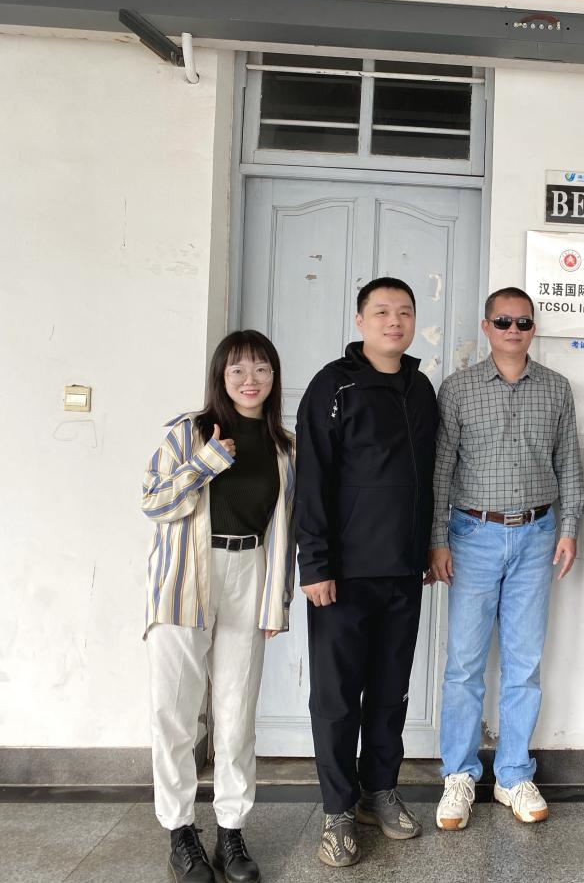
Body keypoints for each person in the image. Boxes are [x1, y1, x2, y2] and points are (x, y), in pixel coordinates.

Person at [141, 330, 295, 883]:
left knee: (236, 714)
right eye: (238, 370)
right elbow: (153, 501)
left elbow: (285, 530)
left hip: (248, 573)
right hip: (187, 577)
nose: (250, 380)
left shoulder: (284, 445)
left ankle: (231, 831)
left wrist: (277, 600)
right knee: (175, 714)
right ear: (220, 377)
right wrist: (204, 462)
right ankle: (180, 832)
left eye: (261, 369)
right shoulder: (189, 432)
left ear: (274, 377)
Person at [294, 277, 438, 868]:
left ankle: (380, 790)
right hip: (343, 575)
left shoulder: (421, 388)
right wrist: (314, 563)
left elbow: (427, 478)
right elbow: (311, 480)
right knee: (336, 699)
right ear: (360, 321)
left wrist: (426, 548)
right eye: (381, 312)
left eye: (404, 312)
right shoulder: (332, 386)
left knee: (389, 691)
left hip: (403, 572)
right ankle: (337, 811)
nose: (394, 322)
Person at [429, 287, 584, 830]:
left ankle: (514, 773)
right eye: (503, 321)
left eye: (522, 322)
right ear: (487, 326)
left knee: (524, 663)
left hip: (537, 535)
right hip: (472, 535)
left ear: (533, 328)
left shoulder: (556, 388)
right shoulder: (458, 389)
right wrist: (437, 540)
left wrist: (569, 529)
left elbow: (569, 463)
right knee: (464, 664)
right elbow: (441, 469)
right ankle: (459, 775)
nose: (513, 330)